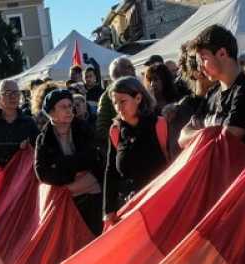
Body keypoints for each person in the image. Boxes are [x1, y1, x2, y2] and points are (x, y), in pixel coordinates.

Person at [181, 24, 245, 149]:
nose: (200, 67)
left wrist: (201, 134)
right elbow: (182, 137)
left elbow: (228, 138)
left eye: (203, 59)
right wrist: (206, 134)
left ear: (222, 53)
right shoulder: (211, 93)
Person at [34, 89, 104, 234]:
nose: (69, 110)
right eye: (63, 107)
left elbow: (91, 157)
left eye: (70, 105)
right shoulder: (43, 139)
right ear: (51, 113)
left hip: (93, 194)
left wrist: (62, 164)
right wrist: (73, 173)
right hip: (65, 200)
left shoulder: (84, 128)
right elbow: (42, 173)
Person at [103, 76, 171, 224]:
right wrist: (108, 210)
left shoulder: (159, 124)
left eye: (123, 101)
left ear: (138, 98)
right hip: (131, 209)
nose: (118, 107)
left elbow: (174, 163)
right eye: (115, 103)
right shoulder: (115, 131)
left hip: (162, 204)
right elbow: (111, 172)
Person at [0, 79, 40, 168]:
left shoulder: (29, 122)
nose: (13, 96)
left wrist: (30, 146)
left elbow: (41, 148)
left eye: (16, 93)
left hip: (22, 177)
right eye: (8, 93)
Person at [97, 57, 137, 151]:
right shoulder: (107, 97)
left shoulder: (138, 89)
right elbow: (102, 129)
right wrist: (122, 141)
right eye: (130, 67)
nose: (134, 70)